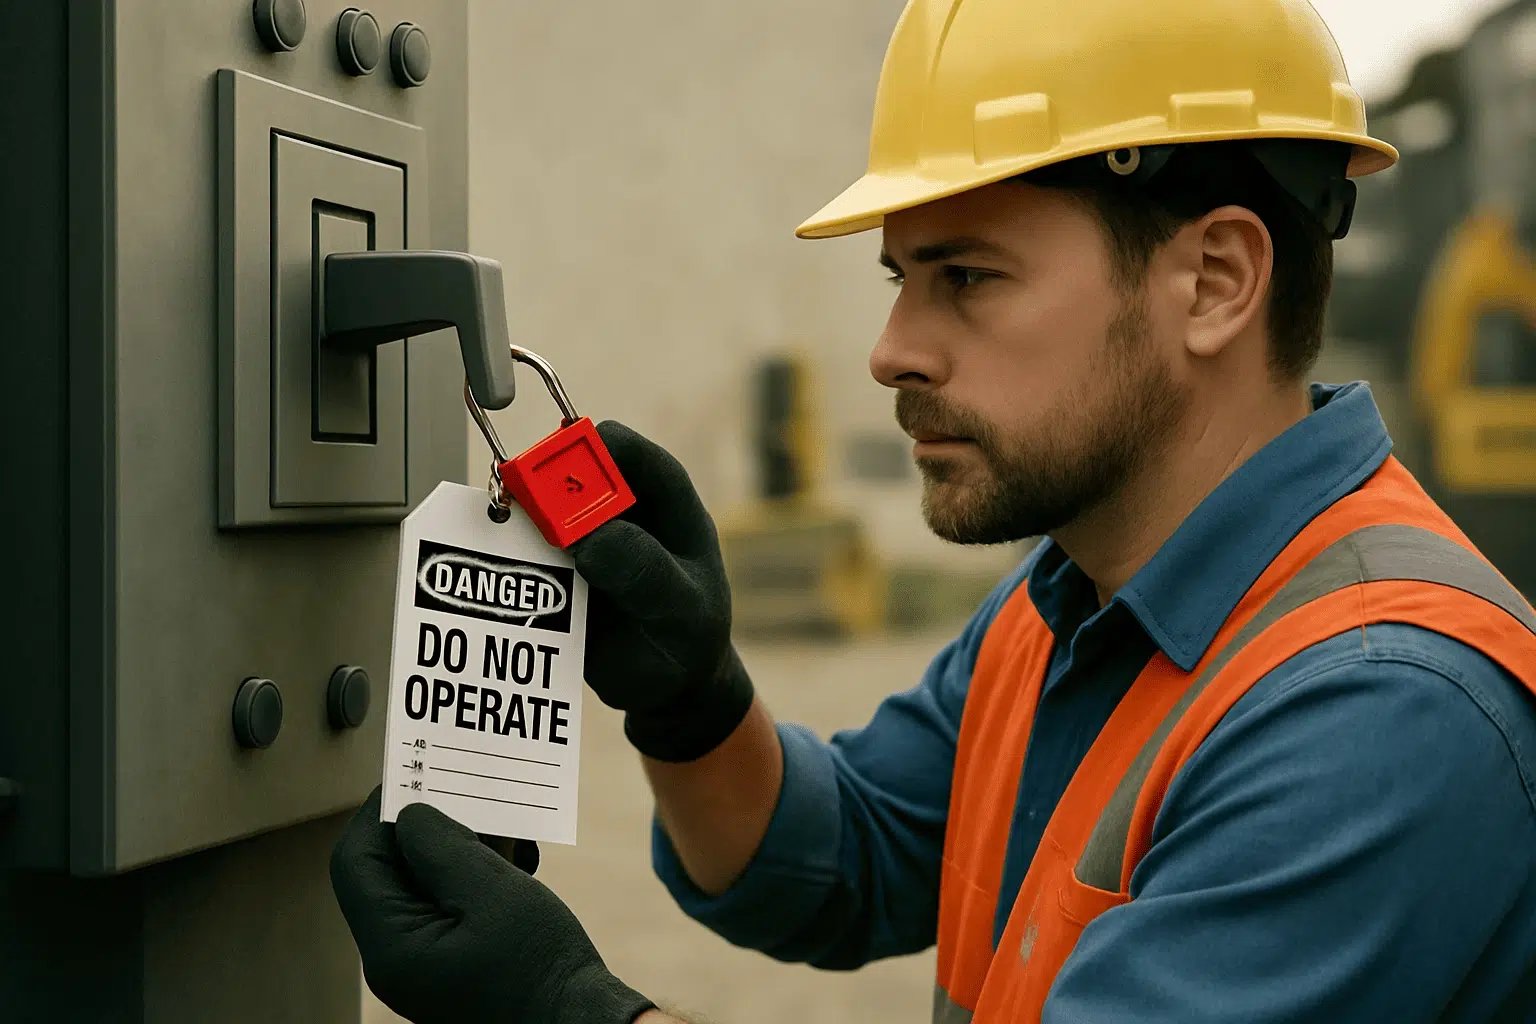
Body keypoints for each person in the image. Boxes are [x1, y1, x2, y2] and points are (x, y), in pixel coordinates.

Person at [329, 0, 1536, 1020]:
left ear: (1214, 280)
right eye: (904, 280)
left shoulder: (1383, 713)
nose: (892, 350)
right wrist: (694, 701)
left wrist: (563, 1011)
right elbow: (831, 861)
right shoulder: (1072, 595)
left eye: (968, 277)